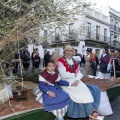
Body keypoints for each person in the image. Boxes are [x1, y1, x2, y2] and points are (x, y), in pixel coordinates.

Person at [57, 45, 103, 120]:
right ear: (64, 51)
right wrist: (74, 74)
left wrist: (77, 80)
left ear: (72, 52)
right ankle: (88, 113)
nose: (69, 52)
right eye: (67, 50)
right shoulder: (60, 61)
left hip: (75, 80)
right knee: (77, 93)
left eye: (70, 50)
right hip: (66, 82)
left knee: (85, 91)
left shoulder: (74, 61)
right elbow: (64, 75)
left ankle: (91, 113)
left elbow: (79, 73)